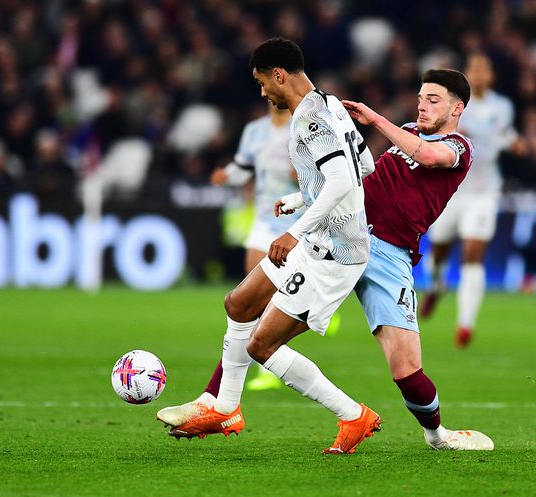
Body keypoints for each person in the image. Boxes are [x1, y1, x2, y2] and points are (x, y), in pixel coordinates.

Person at [160, 63, 494, 451]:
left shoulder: (459, 147)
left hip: (389, 256)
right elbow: (361, 180)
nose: (422, 106)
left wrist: (375, 119)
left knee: (406, 369)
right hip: (342, 236)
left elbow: (431, 157)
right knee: (244, 307)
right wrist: (303, 199)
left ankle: (438, 436)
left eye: (433, 100)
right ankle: (217, 401)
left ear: (457, 108)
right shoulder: (408, 132)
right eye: (420, 98)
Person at [159, 37, 381, 455]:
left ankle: (354, 414)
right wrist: (302, 198)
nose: (263, 93)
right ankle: (225, 407)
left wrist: (293, 231)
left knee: (262, 345)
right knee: (239, 304)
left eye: (262, 83)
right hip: (318, 239)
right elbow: (363, 165)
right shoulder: (331, 104)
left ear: (279, 75)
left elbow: (341, 179)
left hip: (334, 253)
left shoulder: (311, 119)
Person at [421, 52, 524, 348]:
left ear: (491, 76)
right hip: (451, 190)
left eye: (483, 69)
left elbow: (503, 135)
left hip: (483, 192)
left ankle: (465, 325)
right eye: (473, 70)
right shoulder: (453, 105)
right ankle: (437, 285)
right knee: (439, 251)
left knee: (472, 256)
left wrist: (515, 143)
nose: (478, 75)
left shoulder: (502, 107)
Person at [210, 103, 300, 392]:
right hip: (264, 220)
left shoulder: (302, 128)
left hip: (296, 221)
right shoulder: (255, 131)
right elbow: (243, 168)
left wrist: (300, 175)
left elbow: (321, 174)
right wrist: (227, 176)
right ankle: (266, 366)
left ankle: (269, 351)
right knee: (254, 295)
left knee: (284, 294)